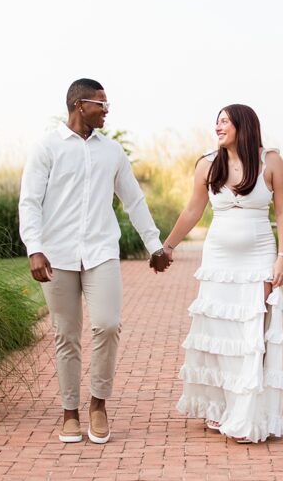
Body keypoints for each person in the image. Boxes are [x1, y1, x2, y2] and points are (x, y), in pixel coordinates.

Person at [18, 78, 171, 445]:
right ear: (78, 104)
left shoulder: (112, 152)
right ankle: (69, 413)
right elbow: (29, 202)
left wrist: (155, 245)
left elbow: (133, 200)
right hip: (56, 255)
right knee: (65, 334)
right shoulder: (47, 147)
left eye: (106, 104)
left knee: (107, 324)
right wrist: (34, 248)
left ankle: (98, 405)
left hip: (101, 252)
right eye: (100, 104)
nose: (106, 110)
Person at [163, 104, 283, 443]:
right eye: (216, 122)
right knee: (221, 333)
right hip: (219, 259)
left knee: (253, 333)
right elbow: (193, 210)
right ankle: (221, 407)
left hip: (260, 255)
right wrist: (168, 246)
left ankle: (248, 411)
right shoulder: (207, 163)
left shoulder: (271, 162)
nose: (218, 127)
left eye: (224, 121)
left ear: (243, 126)